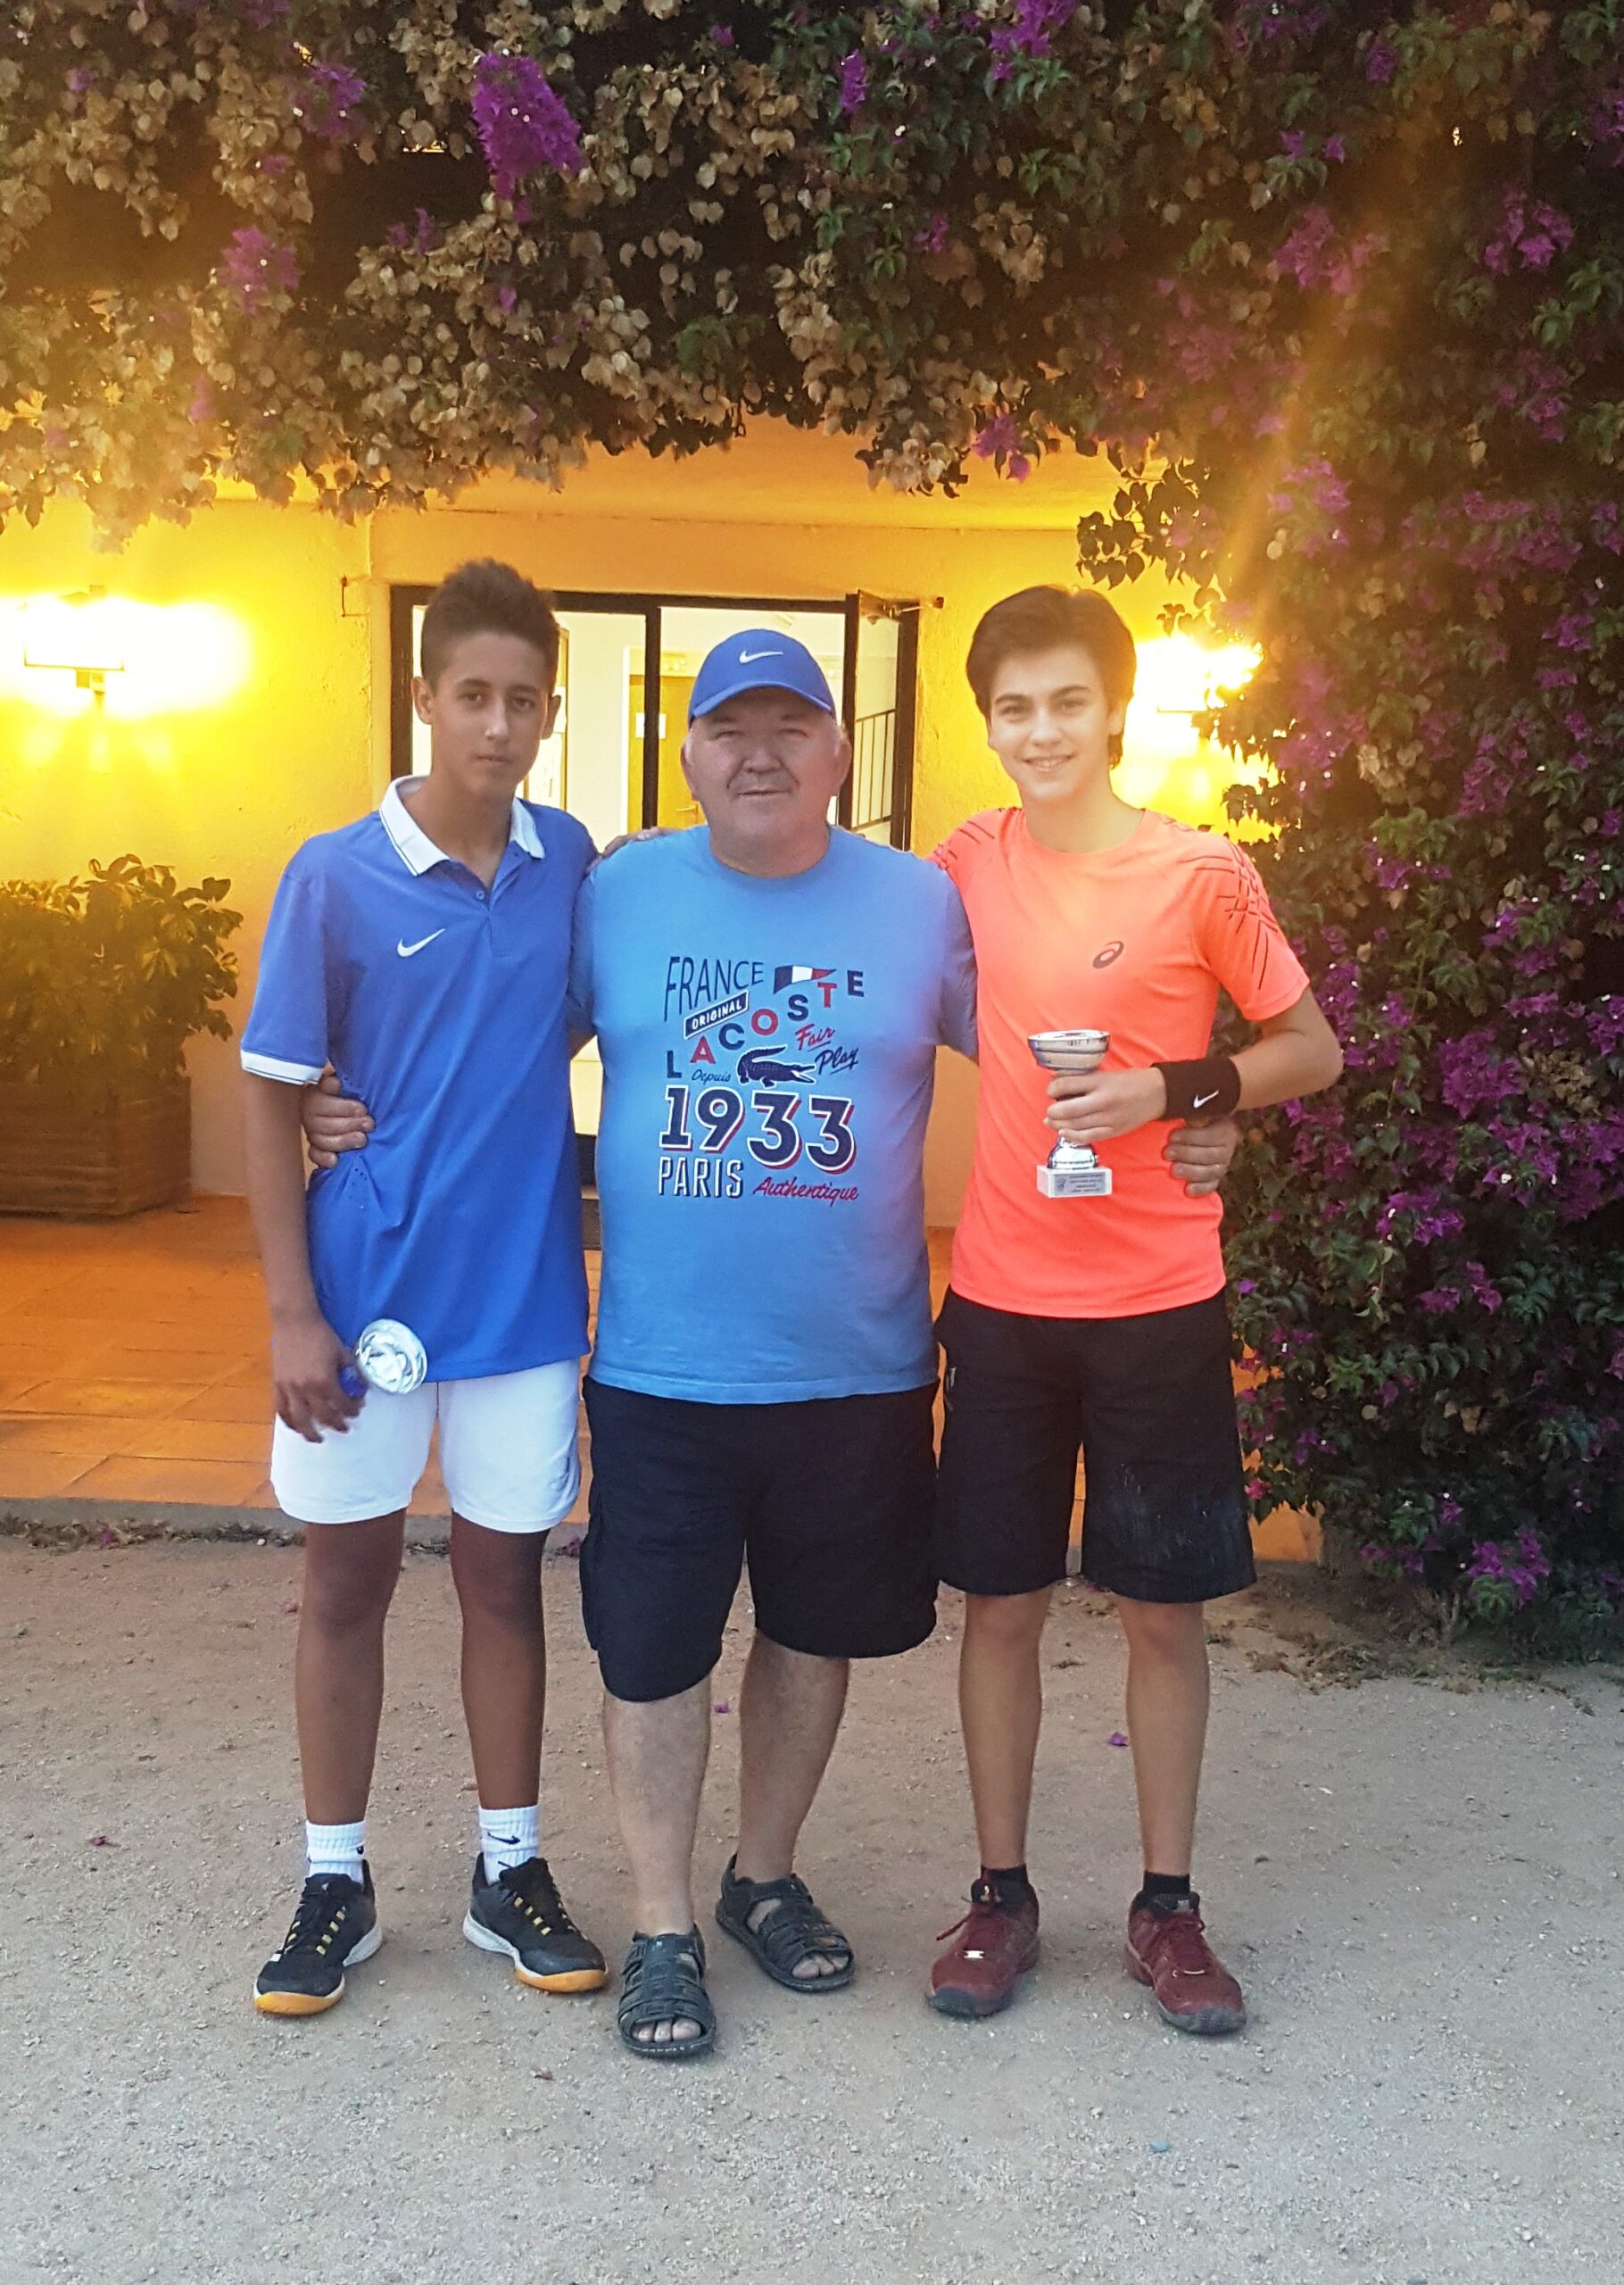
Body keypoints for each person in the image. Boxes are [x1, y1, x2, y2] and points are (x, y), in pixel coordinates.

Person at [302, 626, 1242, 2059]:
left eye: (790, 726)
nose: (760, 753)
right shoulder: (614, 894)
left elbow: (1065, 1046)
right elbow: (484, 1035)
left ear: (838, 752)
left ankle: (763, 1877)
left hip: (859, 1370)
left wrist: (1201, 1109)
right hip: (663, 1369)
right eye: (729, 728)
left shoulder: (920, 905)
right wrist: (336, 1095)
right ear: (686, 754)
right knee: (652, 1657)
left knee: (813, 1637)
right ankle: (663, 1930)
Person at [926, 585, 1343, 2036]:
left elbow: (1309, 1046)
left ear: (1114, 710)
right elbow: (867, 956)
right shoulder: (965, 861)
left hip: (1161, 1301)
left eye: (1066, 702)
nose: (1040, 731)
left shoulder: (1200, 873)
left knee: (1163, 1614)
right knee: (1000, 1606)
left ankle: (1168, 1907)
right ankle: (999, 1895)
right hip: (1001, 1299)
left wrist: (1185, 1092)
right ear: (989, 725)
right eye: (1013, 708)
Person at [240, 559, 607, 2017]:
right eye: (474, 695)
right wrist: (290, 1312)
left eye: (525, 700)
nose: (499, 725)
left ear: (549, 710)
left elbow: (569, 1019)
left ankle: (508, 1871)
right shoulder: (334, 875)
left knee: (505, 1579)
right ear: (425, 697)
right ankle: (334, 1880)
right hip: (361, 1303)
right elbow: (271, 1091)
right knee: (347, 1581)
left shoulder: (570, 861)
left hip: (521, 1302)